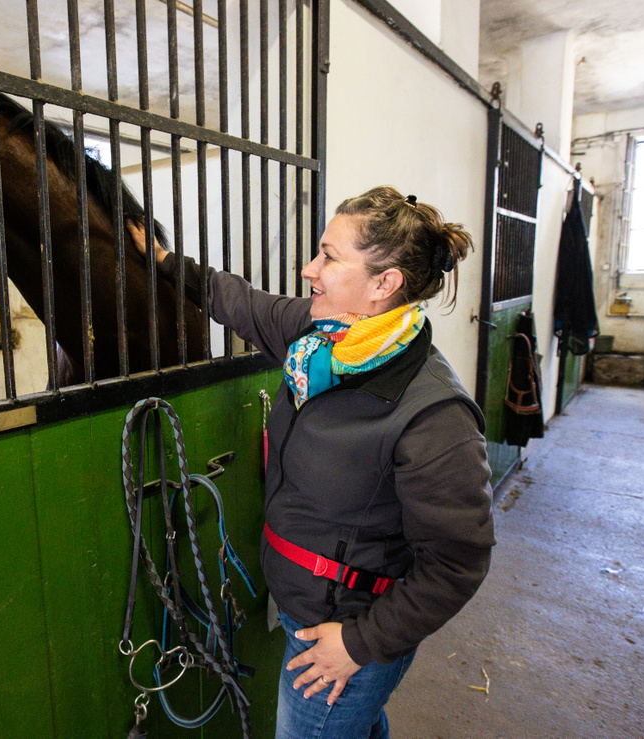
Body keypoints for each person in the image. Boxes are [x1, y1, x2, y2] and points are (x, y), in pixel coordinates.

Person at [130, 185, 495, 739]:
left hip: (350, 633)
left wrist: (357, 645)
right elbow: (241, 301)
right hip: (307, 608)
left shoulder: (434, 415)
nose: (309, 270)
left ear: (384, 284)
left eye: (328, 256)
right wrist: (161, 260)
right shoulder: (319, 339)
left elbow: (456, 564)